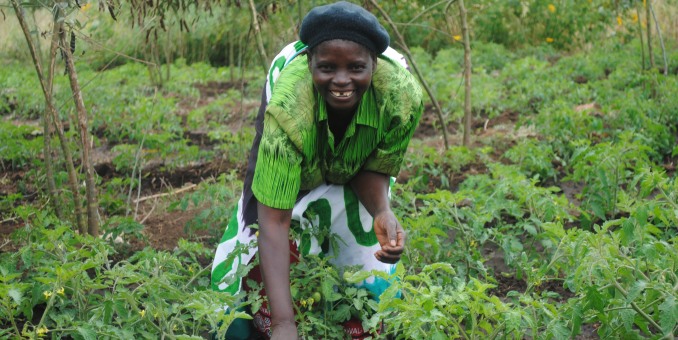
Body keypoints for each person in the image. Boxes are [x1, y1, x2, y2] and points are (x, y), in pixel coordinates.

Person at [210, 1, 423, 338]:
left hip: (357, 161)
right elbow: (274, 218)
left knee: (364, 259)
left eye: (356, 67)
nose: (341, 80)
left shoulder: (399, 99)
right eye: (326, 68)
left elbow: (370, 166)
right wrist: (283, 323)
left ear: (375, 66)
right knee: (252, 260)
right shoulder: (288, 107)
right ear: (309, 63)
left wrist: (382, 211)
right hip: (290, 167)